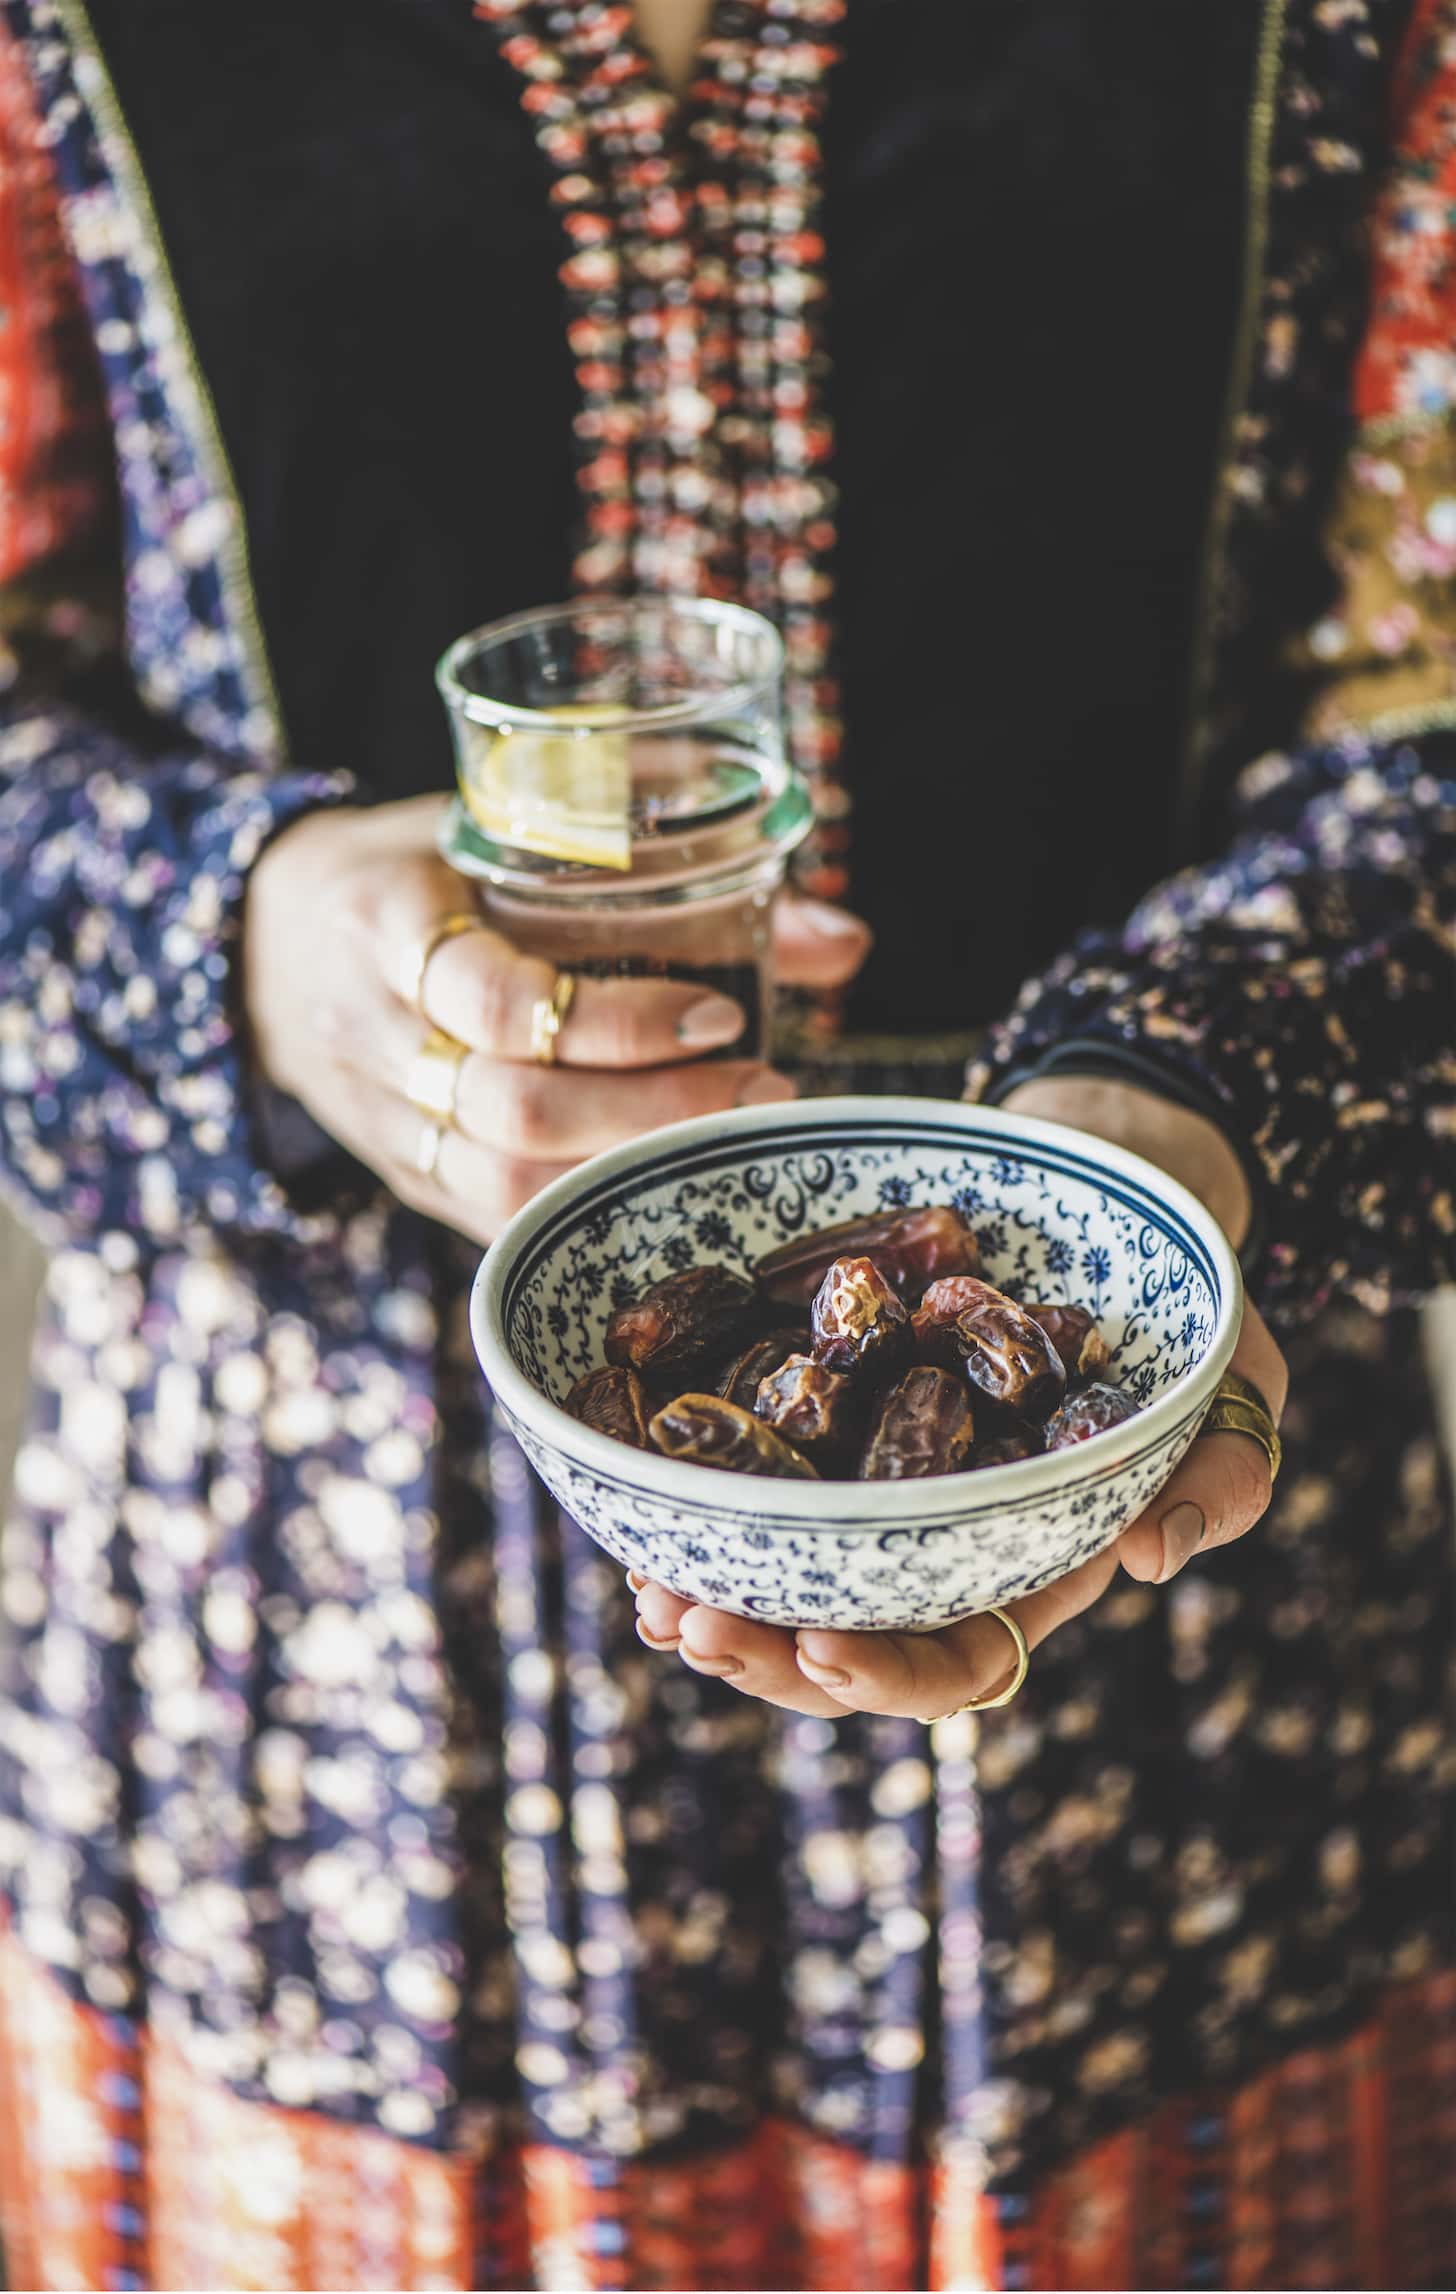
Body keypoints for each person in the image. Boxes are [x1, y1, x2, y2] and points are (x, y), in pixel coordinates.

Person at [0, 0, 1451, 2286]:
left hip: (1152, 1504)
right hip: (336, 1636)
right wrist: (249, 944)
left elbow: (1427, 704)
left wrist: (1167, 1087)